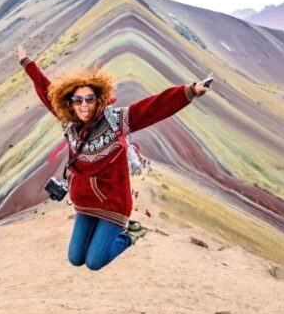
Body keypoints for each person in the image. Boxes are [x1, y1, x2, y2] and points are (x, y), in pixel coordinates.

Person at [17, 45, 210, 270]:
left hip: (113, 204)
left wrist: (190, 91)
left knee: (94, 262)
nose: (84, 105)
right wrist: (27, 64)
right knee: (75, 258)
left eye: (89, 99)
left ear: (98, 99)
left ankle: (131, 234)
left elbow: (154, 107)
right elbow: (46, 91)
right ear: (69, 103)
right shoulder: (69, 123)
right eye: (77, 100)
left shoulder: (117, 120)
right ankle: (100, 238)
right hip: (85, 202)